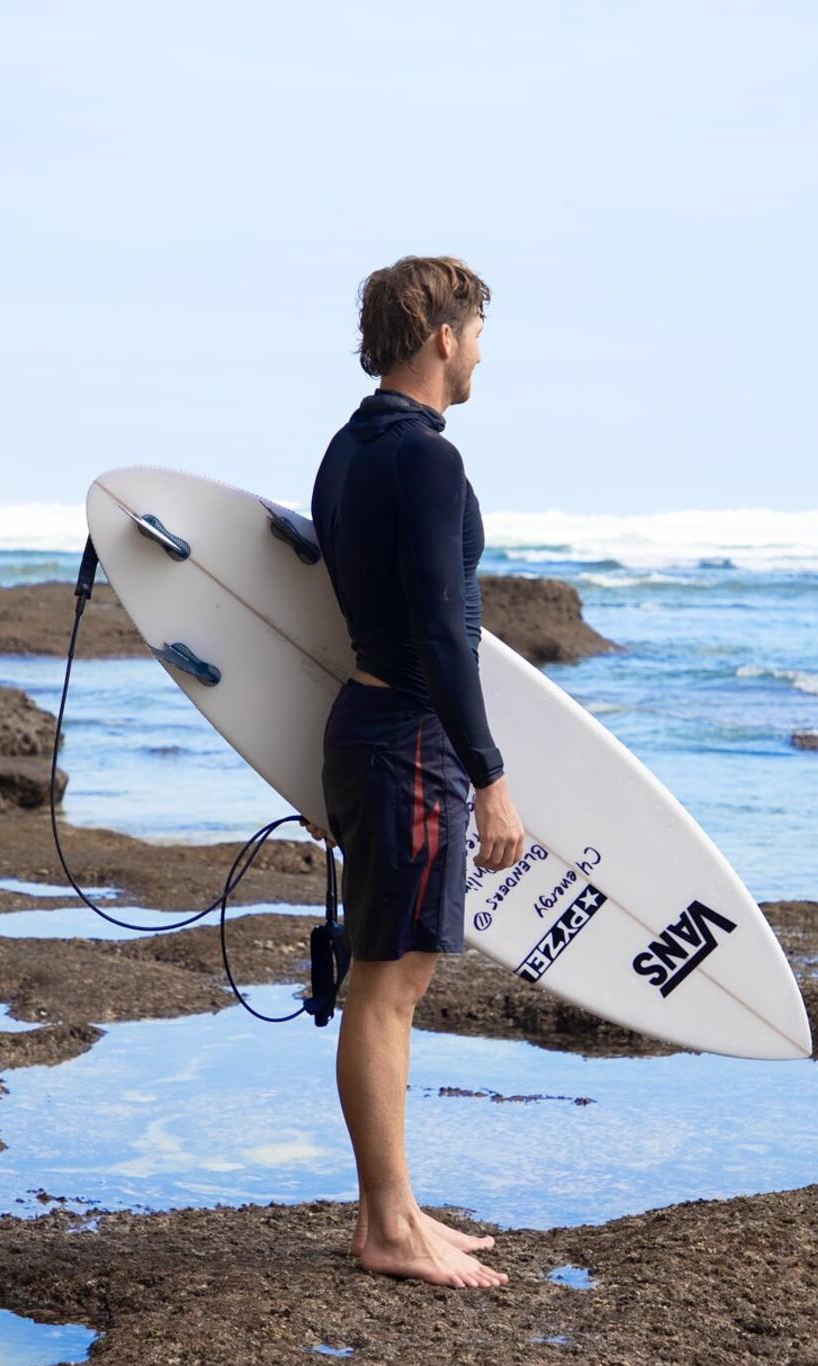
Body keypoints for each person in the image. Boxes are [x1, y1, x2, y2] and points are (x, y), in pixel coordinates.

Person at [304, 255, 526, 1290]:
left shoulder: (348, 451)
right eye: (478, 331)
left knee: (382, 985)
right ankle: (388, 1228)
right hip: (409, 739)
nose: (481, 350)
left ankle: (395, 1208)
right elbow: (442, 628)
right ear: (442, 335)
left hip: (367, 730)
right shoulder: (428, 462)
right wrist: (487, 774)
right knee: (388, 992)